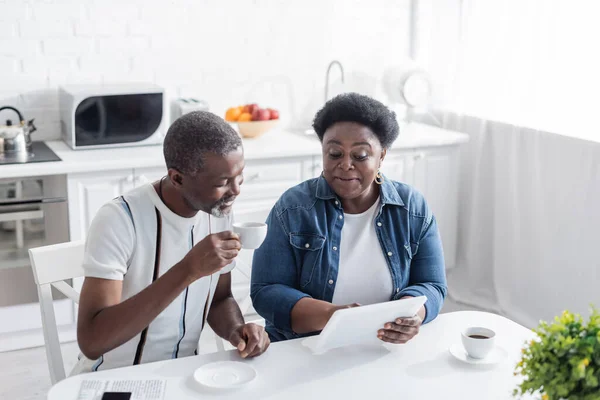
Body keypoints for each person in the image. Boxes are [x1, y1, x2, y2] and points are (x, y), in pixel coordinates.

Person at [74, 111, 269, 373]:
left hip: (185, 375)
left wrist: (236, 330)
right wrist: (188, 270)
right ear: (177, 178)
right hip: (115, 378)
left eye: (240, 176)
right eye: (223, 182)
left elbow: (220, 299)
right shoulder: (119, 220)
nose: (236, 190)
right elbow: (92, 341)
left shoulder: (218, 211)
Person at [251, 93, 447, 343]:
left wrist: (411, 315)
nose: (345, 165)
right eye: (334, 153)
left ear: (382, 156)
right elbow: (266, 291)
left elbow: (432, 284)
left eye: (360, 156)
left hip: (382, 348)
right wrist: (333, 316)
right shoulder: (292, 208)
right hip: (305, 348)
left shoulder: (412, 208)